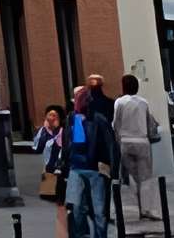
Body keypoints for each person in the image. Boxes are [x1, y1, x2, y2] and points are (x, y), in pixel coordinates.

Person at [64, 75, 117, 238]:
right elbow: (67, 143)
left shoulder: (98, 119)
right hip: (76, 167)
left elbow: (110, 145)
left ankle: (100, 236)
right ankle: (82, 234)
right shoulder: (72, 120)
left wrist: (112, 169)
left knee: (99, 209)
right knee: (77, 207)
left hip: (95, 168)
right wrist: (64, 165)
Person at [111, 74, 161, 222]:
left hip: (125, 142)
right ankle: (146, 209)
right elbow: (149, 123)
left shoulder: (119, 102)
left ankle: (140, 206)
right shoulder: (143, 103)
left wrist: (118, 140)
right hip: (142, 141)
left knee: (133, 177)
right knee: (145, 178)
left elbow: (115, 123)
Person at [33, 106, 68, 225]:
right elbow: (37, 148)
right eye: (49, 115)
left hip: (62, 166)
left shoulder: (64, 130)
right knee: (53, 194)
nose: (51, 118)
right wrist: (44, 133)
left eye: (54, 115)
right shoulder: (43, 131)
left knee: (62, 192)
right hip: (50, 168)